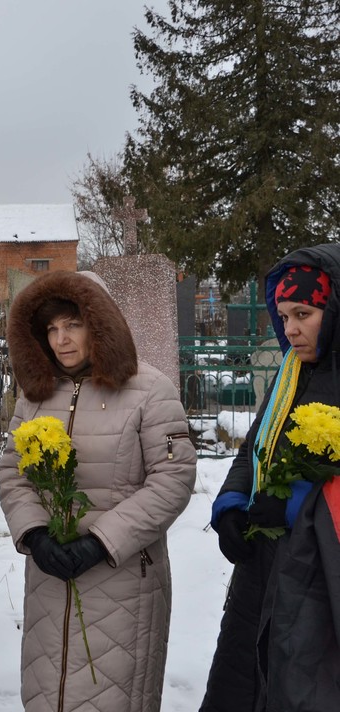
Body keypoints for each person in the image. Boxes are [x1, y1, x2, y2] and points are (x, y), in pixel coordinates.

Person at [0, 270, 196, 712]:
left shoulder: (149, 390)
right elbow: (12, 471)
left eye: (73, 325)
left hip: (121, 577)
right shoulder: (36, 396)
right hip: (50, 579)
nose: (61, 340)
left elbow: (172, 479)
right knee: (49, 691)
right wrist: (35, 534)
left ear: (99, 324)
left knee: (112, 695)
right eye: (50, 329)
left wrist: (102, 541)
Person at [201, 243, 340, 711]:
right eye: (283, 316)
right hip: (263, 567)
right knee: (243, 682)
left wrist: (295, 499)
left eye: (304, 312)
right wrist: (231, 507)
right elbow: (254, 447)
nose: (292, 329)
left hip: (319, 574)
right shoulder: (289, 372)